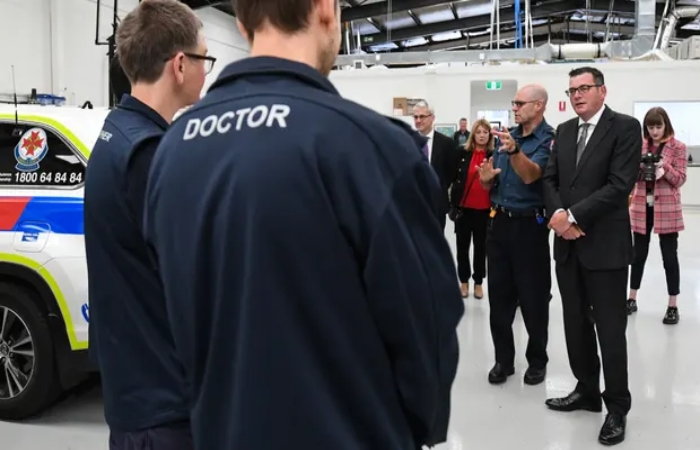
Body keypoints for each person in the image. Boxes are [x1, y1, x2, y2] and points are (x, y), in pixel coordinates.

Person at [141, 0, 464, 449]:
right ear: (326, 8)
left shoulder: (172, 151)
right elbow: (426, 332)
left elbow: (171, 317)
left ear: (242, 22)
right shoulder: (374, 149)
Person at [83, 0, 213, 448]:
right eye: (204, 58)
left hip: (134, 390)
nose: (206, 70)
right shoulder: (149, 156)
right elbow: (197, 281)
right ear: (180, 65)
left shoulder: (116, 133)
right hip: (163, 404)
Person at [542, 66, 641, 446]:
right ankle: (586, 390)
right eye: (572, 90)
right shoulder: (565, 130)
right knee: (575, 324)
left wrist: (573, 216)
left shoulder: (625, 127)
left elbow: (619, 185)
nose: (578, 95)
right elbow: (550, 179)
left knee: (610, 330)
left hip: (605, 247)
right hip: (568, 246)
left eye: (585, 88)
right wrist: (558, 216)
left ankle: (617, 406)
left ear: (602, 91)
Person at [476, 84, 553, 386]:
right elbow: (492, 183)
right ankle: (503, 360)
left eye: (520, 103)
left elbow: (532, 175)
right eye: (514, 103)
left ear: (539, 105)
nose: (515, 108)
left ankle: (537, 360)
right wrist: (485, 180)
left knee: (534, 299)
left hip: (529, 227)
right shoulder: (508, 137)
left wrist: (514, 151)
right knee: (499, 298)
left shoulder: (548, 139)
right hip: (499, 224)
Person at [628, 107, 686, 324]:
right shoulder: (639, 146)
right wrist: (641, 168)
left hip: (667, 209)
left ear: (666, 125)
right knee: (637, 256)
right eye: (650, 127)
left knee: (669, 257)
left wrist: (665, 168)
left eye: (658, 126)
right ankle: (632, 298)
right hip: (642, 207)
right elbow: (630, 175)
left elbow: (680, 179)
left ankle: (672, 305)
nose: (654, 131)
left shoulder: (678, 147)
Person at [449, 118, 494, 299]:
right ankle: (463, 281)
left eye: (485, 132)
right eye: (478, 132)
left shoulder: (494, 155)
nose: (482, 136)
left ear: (489, 135)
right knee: (462, 247)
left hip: (485, 210)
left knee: (481, 248)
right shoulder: (462, 153)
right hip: (464, 209)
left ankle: (478, 282)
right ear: (473, 134)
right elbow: (452, 177)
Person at [413, 100, 459, 229]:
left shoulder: (446, 143)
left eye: (422, 116)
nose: (418, 120)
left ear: (432, 118)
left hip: (437, 203)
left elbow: (451, 172)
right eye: (415, 117)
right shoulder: (408, 141)